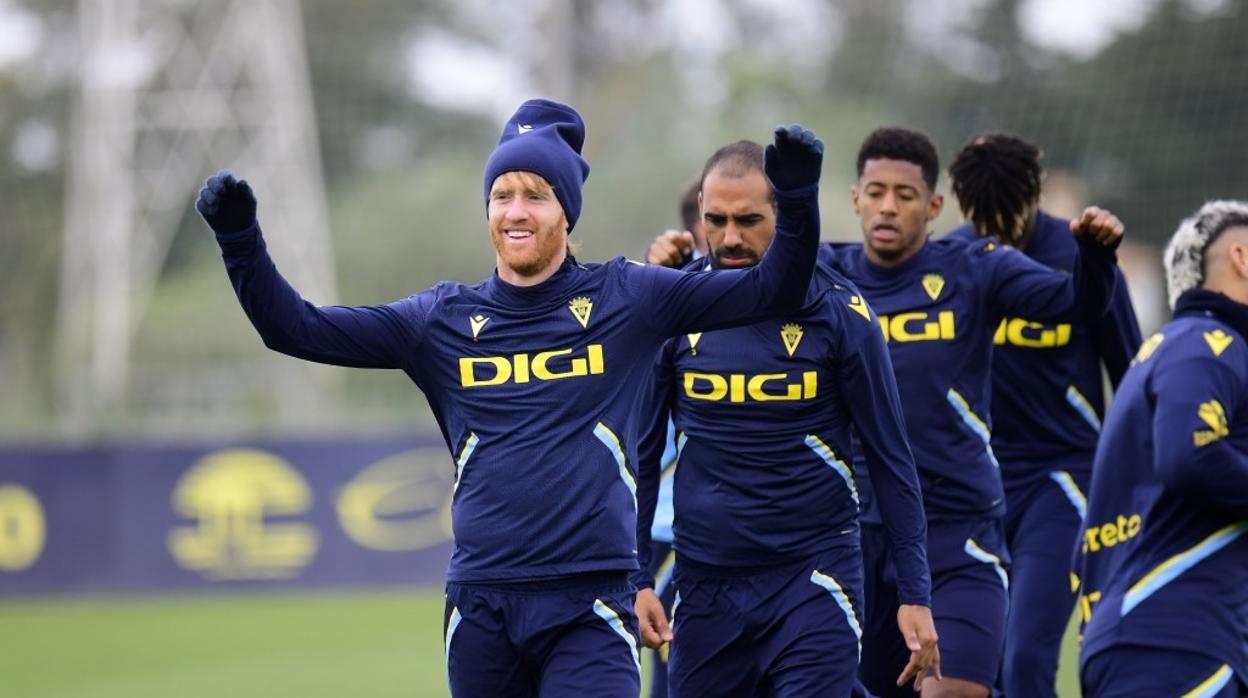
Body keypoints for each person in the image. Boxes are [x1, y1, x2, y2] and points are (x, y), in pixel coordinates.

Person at [194, 98, 824, 698]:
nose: (516, 211)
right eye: (501, 196)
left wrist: (795, 202)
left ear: (566, 214)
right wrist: (240, 241)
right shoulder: (438, 320)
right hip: (482, 605)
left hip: (592, 603)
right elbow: (295, 329)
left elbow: (773, 290)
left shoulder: (629, 298)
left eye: (535, 196)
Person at [648, 127, 1123, 696]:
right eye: (875, 191)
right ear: (855, 198)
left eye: (904, 193)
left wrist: (1094, 262)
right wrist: (677, 270)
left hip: (954, 528)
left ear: (935, 205)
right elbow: (749, 266)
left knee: (971, 682)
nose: (888, 206)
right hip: (845, 538)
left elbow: (1077, 306)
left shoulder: (967, 271)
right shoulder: (807, 277)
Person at [631, 140, 938, 697]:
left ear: (785, 215)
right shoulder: (673, 309)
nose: (730, 238)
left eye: (750, 220)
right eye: (717, 220)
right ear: (700, 208)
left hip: (814, 580)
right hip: (704, 586)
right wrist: (637, 578)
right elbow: (641, 457)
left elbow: (894, 462)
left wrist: (915, 593)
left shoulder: (841, 314)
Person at [944, 134, 1142, 697]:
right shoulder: (953, 260)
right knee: (975, 665)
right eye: (986, 224)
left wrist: (1137, 483)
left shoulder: (1084, 258)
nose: (999, 237)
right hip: (972, 485)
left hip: (1064, 479)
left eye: (1011, 221)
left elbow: (1131, 375)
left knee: (1026, 658)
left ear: (1037, 194)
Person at [1078, 200, 1248, 697]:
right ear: (1242, 258)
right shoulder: (1208, 343)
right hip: (1173, 641)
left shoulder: (1172, 349)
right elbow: (1189, 457)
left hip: (1153, 638)